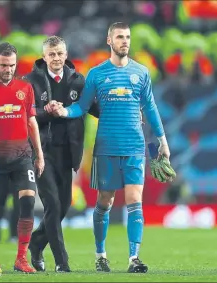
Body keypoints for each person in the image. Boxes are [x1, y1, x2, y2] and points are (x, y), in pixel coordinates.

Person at [50, 22, 173, 273]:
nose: (124, 41)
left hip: (135, 147)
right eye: (119, 37)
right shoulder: (96, 74)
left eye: (127, 37)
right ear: (109, 40)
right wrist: (64, 110)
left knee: (134, 200)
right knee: (105, 202)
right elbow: (82, 107)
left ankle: (134, 258)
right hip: (105, 148)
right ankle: (100, 255)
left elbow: (150, 108)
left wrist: (162, 140)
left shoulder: (142, 73)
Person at [24, 36, 99, 272]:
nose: (56, 58)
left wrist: (123, 110)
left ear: (66, 55)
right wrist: (46, 112)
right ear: (44, 56)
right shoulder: (30, 81)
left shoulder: (78, 81)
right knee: (53, 206)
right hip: (40, 152)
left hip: (68, 152)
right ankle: (62, 262)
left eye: (60, 53)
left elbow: (93, 108)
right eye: (51, 54)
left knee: (64, 204)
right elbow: (25, 113)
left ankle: (36, 243)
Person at [0, 42, 44, 274]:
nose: (8, 69)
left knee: (28, 201)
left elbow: (32, 122)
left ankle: (21, 258)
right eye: (3, 65)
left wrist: (39, 154)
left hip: (22, 156)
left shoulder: (25, 88)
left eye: (11, 65)